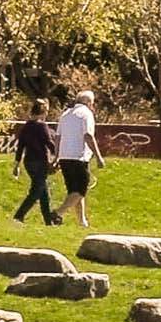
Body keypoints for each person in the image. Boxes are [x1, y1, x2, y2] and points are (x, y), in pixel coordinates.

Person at [53, 88, 101, 228]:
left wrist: (56, 157)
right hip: (78, 157)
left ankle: (82, 222)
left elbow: (57, 137)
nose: (93, 105)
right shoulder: (86, 114)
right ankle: (58, 213)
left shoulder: (66, 114)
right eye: (92, 102)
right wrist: (98, 156)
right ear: (88, 102)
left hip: (64, 157)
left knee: (73, 191)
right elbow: (88, 136)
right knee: (81, 190)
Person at [7, 99, 59, 226]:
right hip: (40, 161)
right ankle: (19, 216)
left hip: (29, 162)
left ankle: (48, 221)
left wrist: (17, 164)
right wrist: (58, 155)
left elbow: (20, 146)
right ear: (43, 111)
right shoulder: (42, 126)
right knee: (36, 191)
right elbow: (49, 142)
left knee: (43, 191)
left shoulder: (26, 126)